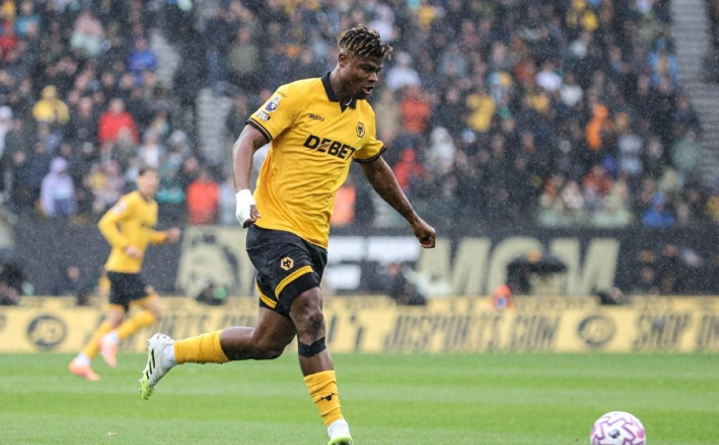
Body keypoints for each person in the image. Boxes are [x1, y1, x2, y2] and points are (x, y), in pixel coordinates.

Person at [139, 25, 436, 445]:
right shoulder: (297, 95)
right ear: (343, 61)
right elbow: (246, 141)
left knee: (266, 343)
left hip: (314, 239)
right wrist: (242, 194)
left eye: (377, 71)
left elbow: (375, 169)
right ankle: (337, 427)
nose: (373, 77)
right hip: (272, 227)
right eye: (366, 68)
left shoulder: (363, 116)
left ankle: (169, 352)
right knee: (312, 313)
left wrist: (413, 218)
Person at [68, 167, 181, 381]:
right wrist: (125, 245)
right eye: (148, 178)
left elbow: (144, 234)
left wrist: (164, 237)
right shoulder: (130, 201)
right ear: (138, 180)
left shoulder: (152, 206)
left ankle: (82, 361)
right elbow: (106, 222)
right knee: (156, 311)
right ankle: (112, 340)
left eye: (155, 179)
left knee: (115, 318)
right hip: (123, 269)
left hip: (124, 270)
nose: (152, 182)